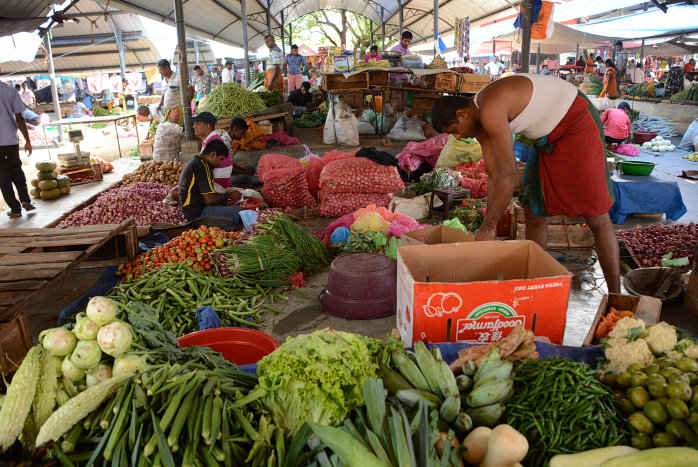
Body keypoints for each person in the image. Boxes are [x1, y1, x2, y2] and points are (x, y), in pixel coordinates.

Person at [431, 74, 620, 294]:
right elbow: (494, 174)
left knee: (597, 216)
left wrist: (489, 227)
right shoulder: (479, 121)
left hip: (576, 121)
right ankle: (535, 285)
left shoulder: (490, 109)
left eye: (454, 130)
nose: (459, 137)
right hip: (547, 137)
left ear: (462, 114)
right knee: (533, 207)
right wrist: (488, 224)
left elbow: (509, 174)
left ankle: (616, 295)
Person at [177, 139, 243, 223]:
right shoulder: (202, 166)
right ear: (213, 154)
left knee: (229, 203)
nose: (221, 163)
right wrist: (229, 195)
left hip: (194, 210)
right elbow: (209, 199)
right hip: (197, 215)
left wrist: (227, 198)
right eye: (220, 159)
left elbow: (209, 196)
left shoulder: (198, 163)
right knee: (241, 212)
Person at [0, 76, 35, 218]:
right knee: (16, 170)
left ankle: (15, 209)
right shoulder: (9, 90)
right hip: (11, 140)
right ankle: (25, 200)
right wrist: (27, 140)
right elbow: (19, 118)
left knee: (3, 177)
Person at [190, 111, 234, 192]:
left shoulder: (212, 142)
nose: (194, 126)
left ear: (207, 126)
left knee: (179, 191)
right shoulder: (213, 139)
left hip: (217, 185)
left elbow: (203, 170)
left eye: (198, 124)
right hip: (220, 183)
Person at [156, 59, 194, 125]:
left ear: (167, 68)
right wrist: (159, 105)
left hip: (177, 109)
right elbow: (164, 94)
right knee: (172, 130)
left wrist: (187, 103)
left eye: (160, 69)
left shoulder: (178, 78)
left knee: (177, 130)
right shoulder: (164, 81)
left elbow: (191, 89)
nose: (159, 72)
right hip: (168, 111)